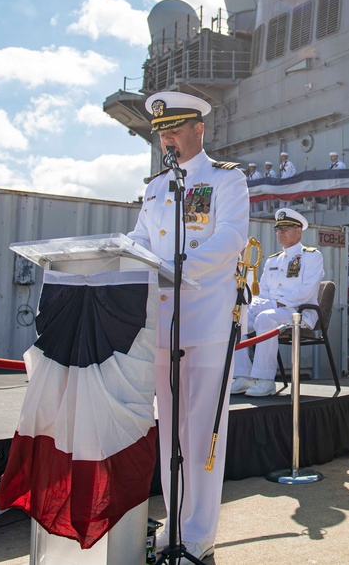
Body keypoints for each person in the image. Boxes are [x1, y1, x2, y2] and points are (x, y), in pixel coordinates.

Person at [128, 90, 249, 561]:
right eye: (160, 132)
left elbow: (232, 236)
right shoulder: (156, 186)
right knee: (170, 434)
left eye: (174, 129)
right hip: (161, 322)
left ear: (199, 128)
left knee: (200, 432)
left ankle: (198, 536)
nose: (166, 139)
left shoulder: (225, 179)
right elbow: (140, 238)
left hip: (206, 319)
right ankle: (173, 529)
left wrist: (181, 270)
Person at [231, 208, 324, 397]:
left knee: (266, 318)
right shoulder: (272, 260)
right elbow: (263, 289)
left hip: (299, 312)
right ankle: (243, 376)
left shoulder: (312, 256)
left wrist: (279, 304)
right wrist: (261, 303)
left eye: (286, 228)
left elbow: (308, 289)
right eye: (278, 229)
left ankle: (265, 381)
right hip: (274, 309)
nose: (280, 232)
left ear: (298, 231)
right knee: (237, 317)